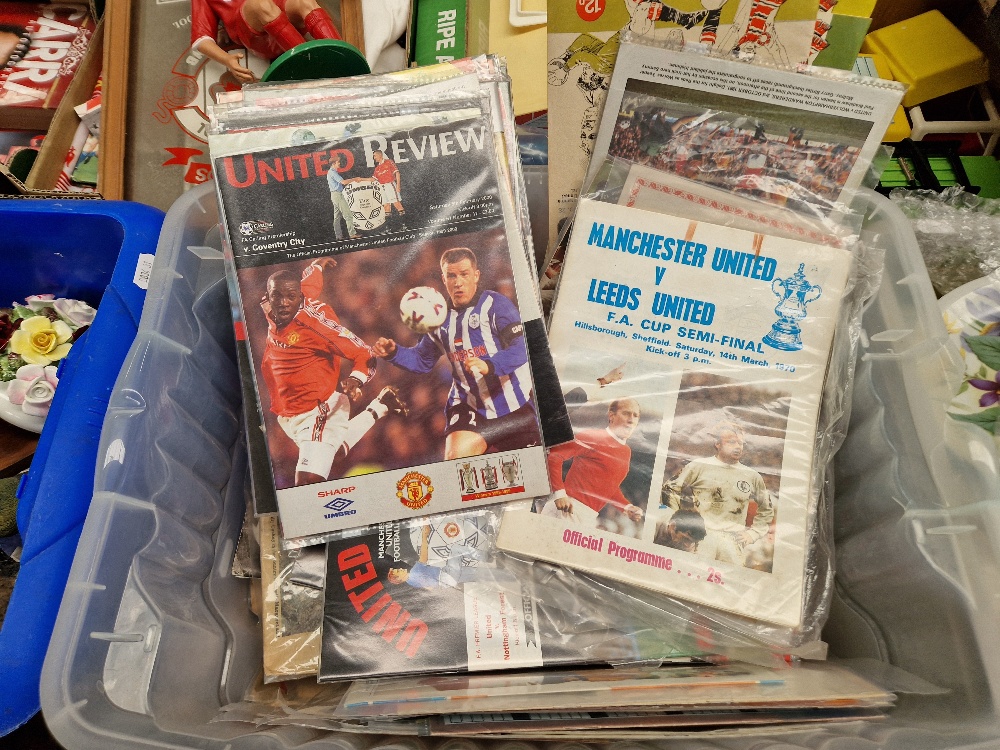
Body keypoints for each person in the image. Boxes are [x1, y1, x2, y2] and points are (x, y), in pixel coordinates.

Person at [373, 247, 539, 460]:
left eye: (464, 274)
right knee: (457, 463)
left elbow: (523, 346)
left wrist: (490, 365)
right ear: (444, 278)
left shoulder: (496, 305)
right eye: (452, 275)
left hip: (513, 404)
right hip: (469, 405)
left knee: (530, 467)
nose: (458, 282)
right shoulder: (439, 318)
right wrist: (394, 353)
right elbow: (423, 360)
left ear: (476, 276)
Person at [260, 258, 407, 487]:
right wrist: (317, 266)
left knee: (306, 484)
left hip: (315, 411)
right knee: (332, 451)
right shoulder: (279, 303)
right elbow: (308, 285)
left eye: (291, 297)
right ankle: (380, 407)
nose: (283, 303)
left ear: (299, 299)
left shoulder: (317, 326)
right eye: (276, 296)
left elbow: (365, 354)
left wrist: (354, 379)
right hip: (288, 412)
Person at [661, 421, 774, 566]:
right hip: (702, 536)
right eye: (732, 442)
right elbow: (670, 488)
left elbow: (766, 509)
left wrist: (752, 534)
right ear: (718, 444)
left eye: (741, 443)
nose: (738, 446)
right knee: (694, 577)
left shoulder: (752, 476)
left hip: (733, 541)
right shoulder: (699, 465)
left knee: (728, 583)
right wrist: (680, 522)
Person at [539, 398, 645, 528]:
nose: (631, 419)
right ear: (611, 416)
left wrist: (626, 507)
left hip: (588, 515)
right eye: (626, 413)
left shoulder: (626, 451)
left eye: (636, 415)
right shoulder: (593, 437)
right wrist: (559, 494)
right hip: (568, 509)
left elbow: (609, 484)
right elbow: (555, 456)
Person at [191, 0, 342, 84]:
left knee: (304, 2)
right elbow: (201, 39)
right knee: (260, 4)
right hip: (255, 34)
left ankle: (342, 55)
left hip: (284, 14)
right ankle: (313, 67)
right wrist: (227, 60)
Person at [387, 522, 516, 589]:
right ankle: (488, 557)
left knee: (478, 574)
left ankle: (512, 577)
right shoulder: (414, 572)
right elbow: (424, 556)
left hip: (448, 581)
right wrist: (424, 535)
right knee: (455, 549)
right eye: (398, 571)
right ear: (399, 578)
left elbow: (430, 588)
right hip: (448, 575)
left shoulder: (412, 583)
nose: (400, 569)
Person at [327, 152, 368, 240]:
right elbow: (343, 182)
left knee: (337, 217)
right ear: (334, 163)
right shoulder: (333, 173)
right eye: (338, 162)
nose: (339, 163)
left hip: (334, 195)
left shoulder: (331, 172)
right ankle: (352, 234)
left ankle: (338, 236)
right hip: (338, 195)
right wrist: (355, 179)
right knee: (348, 215)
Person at [371, 149, 404, 218]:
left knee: (396, 203)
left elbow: (397, 173)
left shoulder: (389, 162)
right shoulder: (377, 168)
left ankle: (404, 223)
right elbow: (373, 179)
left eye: (375, 156)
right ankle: (389, 226)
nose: (374, 158)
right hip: (382, 187)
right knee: (386, 205)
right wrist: (360, 179)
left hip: (390, 185)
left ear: (380, 155)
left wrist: (398, 185)